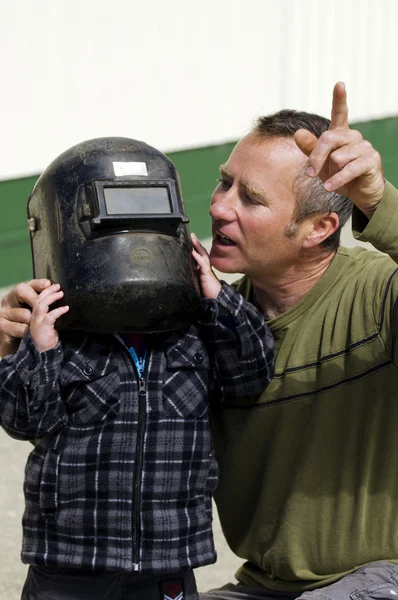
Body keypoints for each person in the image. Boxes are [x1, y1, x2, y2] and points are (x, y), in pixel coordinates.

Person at [2, 80, 397, 600]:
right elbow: (61, 429)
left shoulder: (377, 295)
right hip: (264, 585)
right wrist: (21, 350)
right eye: (223, 183)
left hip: (378, 576)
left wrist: (375, 197)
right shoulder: (206, 322)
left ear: (319, 227)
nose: (218, 208)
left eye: (250, 198)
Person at [0, 208, 274, 600]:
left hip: (167, 559)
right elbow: (23, 420)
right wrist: (41, 350)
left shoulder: (196, 332)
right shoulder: (64, 334)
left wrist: (216, 294)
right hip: (69, 560)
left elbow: (251, 371)